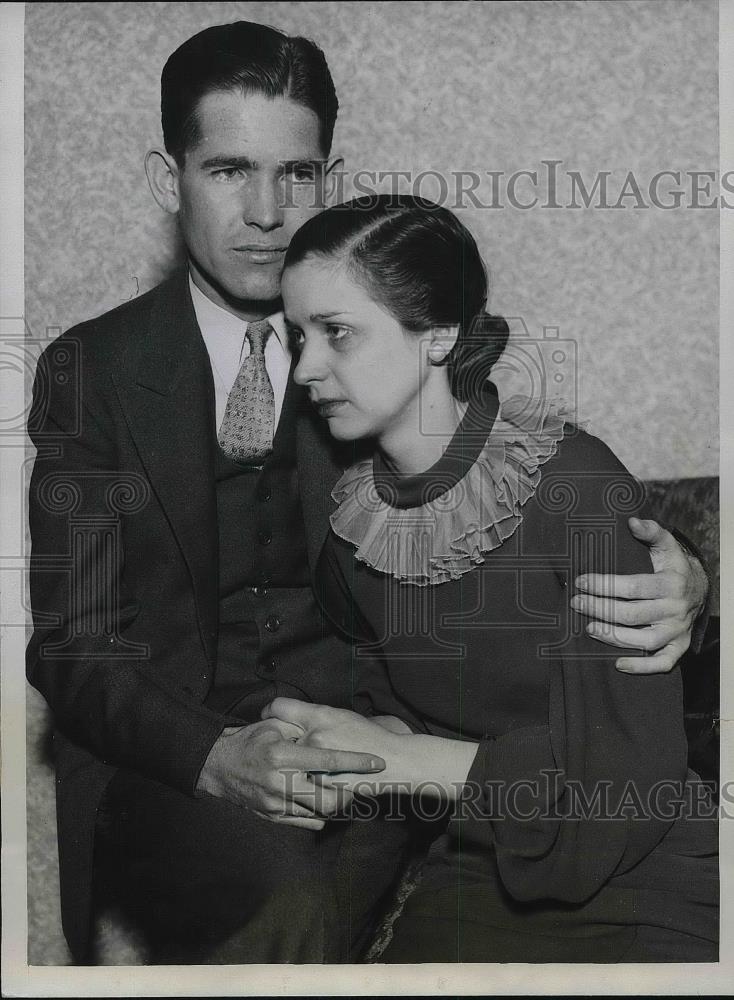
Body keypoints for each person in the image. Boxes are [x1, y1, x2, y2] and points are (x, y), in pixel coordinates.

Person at [26, 22, 709, 966]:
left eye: (297, 175)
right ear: (166, 178)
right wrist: (214, 756)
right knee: (279, 900)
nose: (267, 210)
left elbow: (540, 511)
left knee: (331, 899)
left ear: (327, 178)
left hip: (376, 750)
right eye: (229, 171)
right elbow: (75, 645)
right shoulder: (91, 371)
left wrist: (689, 580)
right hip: (179, 760)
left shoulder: (387, 359)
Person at [265, 195, 719, 962]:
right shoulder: (351, 528)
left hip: (645, 873)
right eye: (299, 336)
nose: (307, 368)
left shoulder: (571, 482)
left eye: (337, 333)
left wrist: (408, 762)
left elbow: (622, 793)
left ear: (438, 334)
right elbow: (392, 719)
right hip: (477, 872)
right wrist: (324, 752)